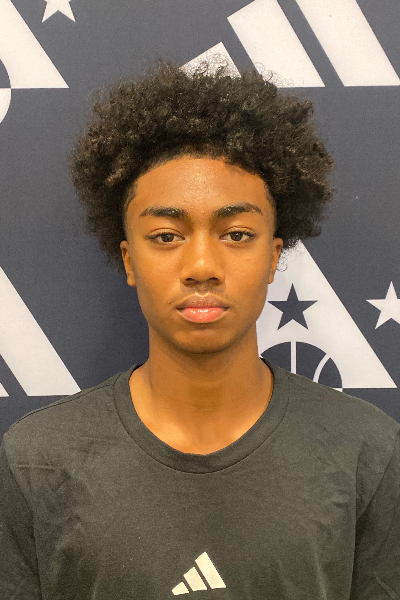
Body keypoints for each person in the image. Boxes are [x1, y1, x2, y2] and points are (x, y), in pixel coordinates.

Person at [0, 61, 399, 600]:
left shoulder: (367, 453)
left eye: (236, 234)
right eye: (167, 236)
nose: (203, 266)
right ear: (129, 259)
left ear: (274, 256)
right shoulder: (36, 461)